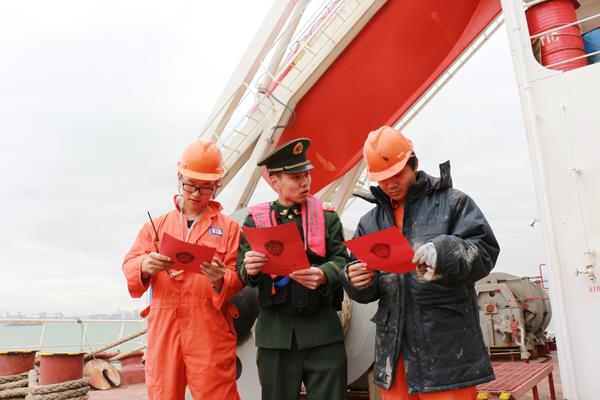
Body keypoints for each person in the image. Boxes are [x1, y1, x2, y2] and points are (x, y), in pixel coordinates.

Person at [340, 126, 500, 400]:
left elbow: (485, 252)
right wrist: (355, 280)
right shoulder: (369, 222)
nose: (390, 184)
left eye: (397, 174)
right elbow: (367, 288)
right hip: (395, 357)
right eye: (383, 179)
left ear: (414, 163)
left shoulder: (453, 203)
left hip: (447, 355)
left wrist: (444, 251)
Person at [122, 139, 243, 400]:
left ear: (216, 186)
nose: (196, 193)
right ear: (179, 179)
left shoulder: (230, 228)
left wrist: (220, 279)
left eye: (205, 187)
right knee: (163, 392)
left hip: (209, 326)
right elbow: (130, 265)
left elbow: (238, 279)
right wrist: (144, 266)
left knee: (218, 393)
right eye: (190, 185)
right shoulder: (155, 226)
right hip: (164, 325)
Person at [237, 138, 349, 400]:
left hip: (323, 335)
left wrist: (324, 274)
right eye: (296, 177)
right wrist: (250, 268)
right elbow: (242, 268)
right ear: (275, 182)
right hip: (276, 337)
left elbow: (342, 260)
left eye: (306, 175)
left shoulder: (327, 217)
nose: (305, 182)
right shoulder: (255, 221)